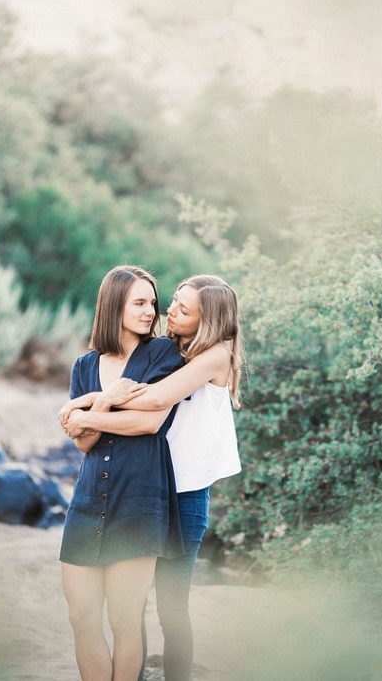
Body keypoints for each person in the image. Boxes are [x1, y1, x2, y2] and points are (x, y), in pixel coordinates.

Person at [60, 274, 244, 681]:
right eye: (170, 302)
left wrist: (87, 408)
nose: (166, 312)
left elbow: (157, 404)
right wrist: (95, 406)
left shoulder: (213, 355)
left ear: (208, 319)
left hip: (184, 493)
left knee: (171, 609)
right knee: (129, 608)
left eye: (181, 308)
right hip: (142, 484)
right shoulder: (164, 352)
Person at [58, 265, 185, 681]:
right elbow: (82, 443)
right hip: (88, 498)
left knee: (125, 620)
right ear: (114, 305)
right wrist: (107, 400)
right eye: (140, 303)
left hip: (140, 499)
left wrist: (88, 415)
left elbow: (149, 423)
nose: (151, 311)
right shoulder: (84, 364)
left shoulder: (165, 354)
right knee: (82, 617)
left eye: (153, 302)